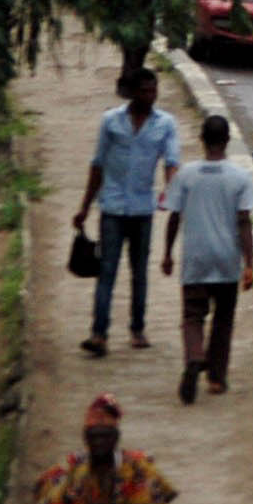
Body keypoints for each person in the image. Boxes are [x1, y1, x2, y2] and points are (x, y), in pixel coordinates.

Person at [73, 68, 180, 357]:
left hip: (143, 209)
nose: (150, 96)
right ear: (132, 92)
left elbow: (171, 162)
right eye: (144, 91)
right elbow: (98, 165)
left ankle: (137, 328)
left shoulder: (166, 124)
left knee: (139, 272)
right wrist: (84, 206)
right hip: (112, 207)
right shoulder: (110, 122)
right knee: (106, 271)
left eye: (153, 91)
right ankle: (99, 334)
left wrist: (172, 190)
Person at [159, 113, 253, 402]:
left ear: (201, 140)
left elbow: (174, 217)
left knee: (192, 316)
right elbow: (244, 222)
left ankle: (194, 355)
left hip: (196, 259)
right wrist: (249, 263)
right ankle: (216, 378)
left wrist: (167, 253)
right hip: (227, 259)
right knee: (223, 320)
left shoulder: (186, 175)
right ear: (227, 141)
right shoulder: (240, 177)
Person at [32, 395, 190, 504]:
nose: (99, 442)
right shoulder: (67, 474)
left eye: (105, 436)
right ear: (86, 438)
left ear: (116, 437)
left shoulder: (140, 472)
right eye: (94, 436)